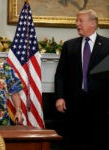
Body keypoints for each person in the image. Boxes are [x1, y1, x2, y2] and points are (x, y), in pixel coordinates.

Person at [54, 9, 109, 150]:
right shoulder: (69, 45)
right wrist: (60, 97)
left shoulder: (107, 45)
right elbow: (61, 74)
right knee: (74, 142)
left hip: (100, 105)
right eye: (76, 21)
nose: (77, 24)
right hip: (74, 104)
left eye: (80, 21)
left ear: (93, 23)